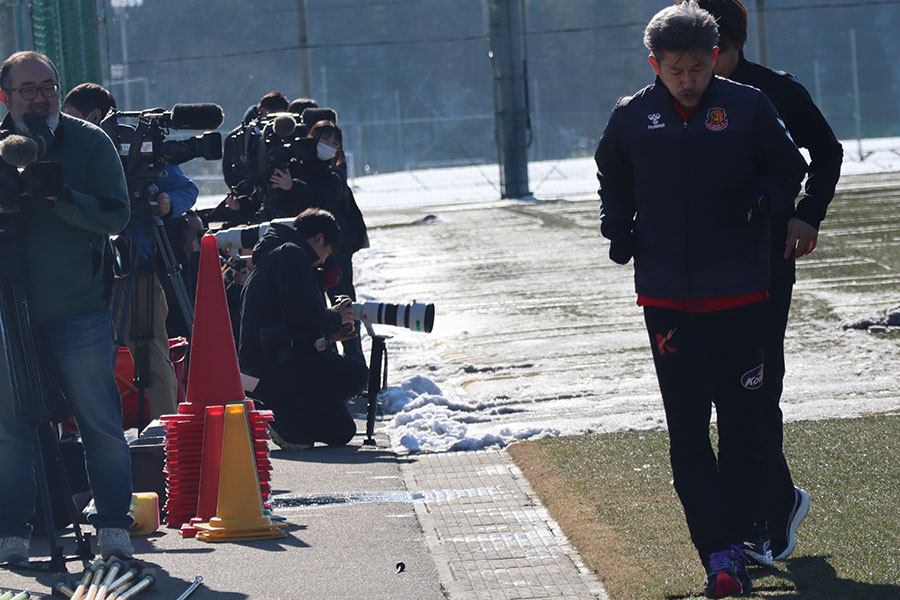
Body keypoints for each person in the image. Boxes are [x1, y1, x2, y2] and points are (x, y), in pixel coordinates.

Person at [593, 3, 807, 598]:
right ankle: (718, 555)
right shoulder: (632, 117)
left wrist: (762, 203)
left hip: (742, 296)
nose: (687, 80)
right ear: (654, 65)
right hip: (667, 302)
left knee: (742, 429)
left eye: (697, 67)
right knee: (687, 434)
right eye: (674, 69)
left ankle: (736, 539)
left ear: (715, 58)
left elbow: (788, 167)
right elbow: (612, 171)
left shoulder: (747, 106)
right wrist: (619, 224)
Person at [690, 0, 843, 567]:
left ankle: (772, 510)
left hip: (764, 263)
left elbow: (826, 152)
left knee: (756, 386)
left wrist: (809, 213)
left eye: (714, 54)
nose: (702, 69)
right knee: (717, 390)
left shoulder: (774, 92)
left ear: (734, 44)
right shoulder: (679, 96)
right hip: (698, 271)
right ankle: (767, 502)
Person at [0, 51, 135, 561]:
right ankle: (12, 531)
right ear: (6, 96)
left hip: (77, 309)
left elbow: (117, 214)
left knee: (99, 422)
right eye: (28, 88)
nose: (40, 97)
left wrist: (62, 199)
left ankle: (114, 526)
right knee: (10, 430)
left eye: (48, 86)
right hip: (9, 310)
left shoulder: (88, 141)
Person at [63, 82, 199, 421]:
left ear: (94, 115)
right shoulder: (70, 149)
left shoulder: (136, 144)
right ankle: (98, 427)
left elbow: (185, 188)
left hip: (139, 260)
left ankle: (168, 430)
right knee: (95, 353)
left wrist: (169, 206)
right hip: (87, 265)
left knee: (152, 347)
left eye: (72, 116)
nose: (65, 122)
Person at [239, 208, 368, 450]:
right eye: (327, 252)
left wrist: (330, 335)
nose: (323, 260)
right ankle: (281, 412)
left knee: (342, 431)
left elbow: (292, 317)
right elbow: (304, 312)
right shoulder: (291, 254)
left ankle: (291, 424)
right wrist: (335, 317)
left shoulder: (275, 255)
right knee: (357, 374)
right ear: (319, 238)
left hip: (273, 356)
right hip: (275, 363)